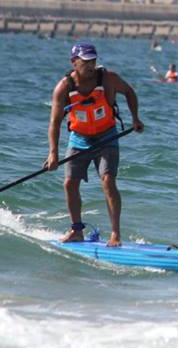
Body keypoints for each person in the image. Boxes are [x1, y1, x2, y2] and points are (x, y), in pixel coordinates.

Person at [45, 43, 144, 246]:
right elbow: (55, 123)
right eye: (86, 61)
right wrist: (53, 153)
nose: (91, 65)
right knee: (69, 183)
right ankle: (77, 231)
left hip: (106, 136)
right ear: (74, 62)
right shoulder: (63, 88)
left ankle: (115, 234)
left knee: (108, 180)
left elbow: (129, 92)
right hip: (79, 138)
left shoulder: (108, 79)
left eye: (93, 60)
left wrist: (135, 118)